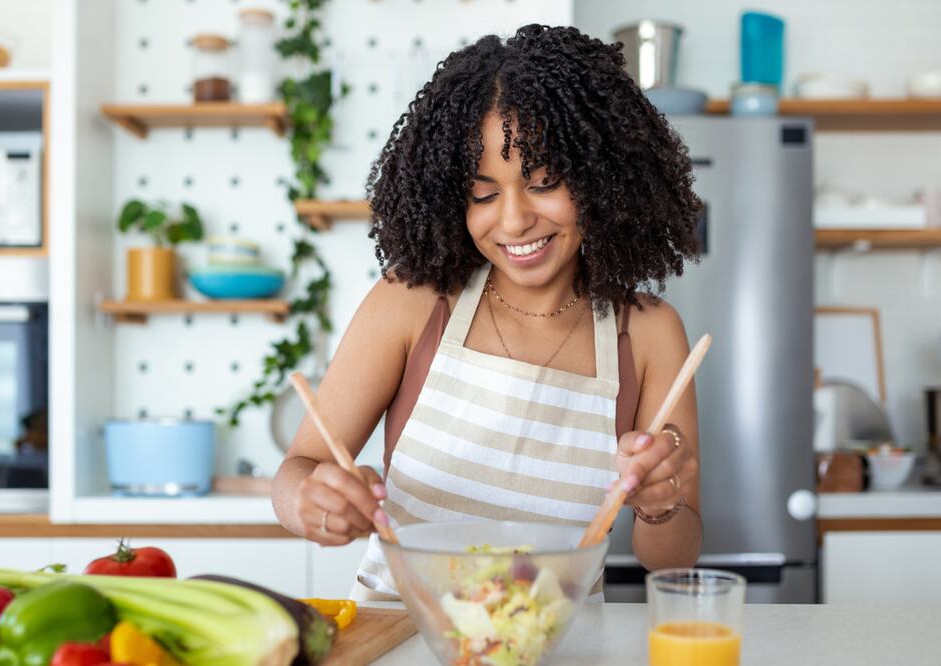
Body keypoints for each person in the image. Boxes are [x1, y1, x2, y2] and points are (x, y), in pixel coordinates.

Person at [271, 24, 703, 601]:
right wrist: (309, 500)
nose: (514, 219)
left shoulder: (648, 334)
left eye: (545, 181)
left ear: (605, 179)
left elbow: (672, 558)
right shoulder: (412, 302)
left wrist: (661, 504)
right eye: (483, 193)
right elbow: (301, 465)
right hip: (405, 638)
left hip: (560, 647)